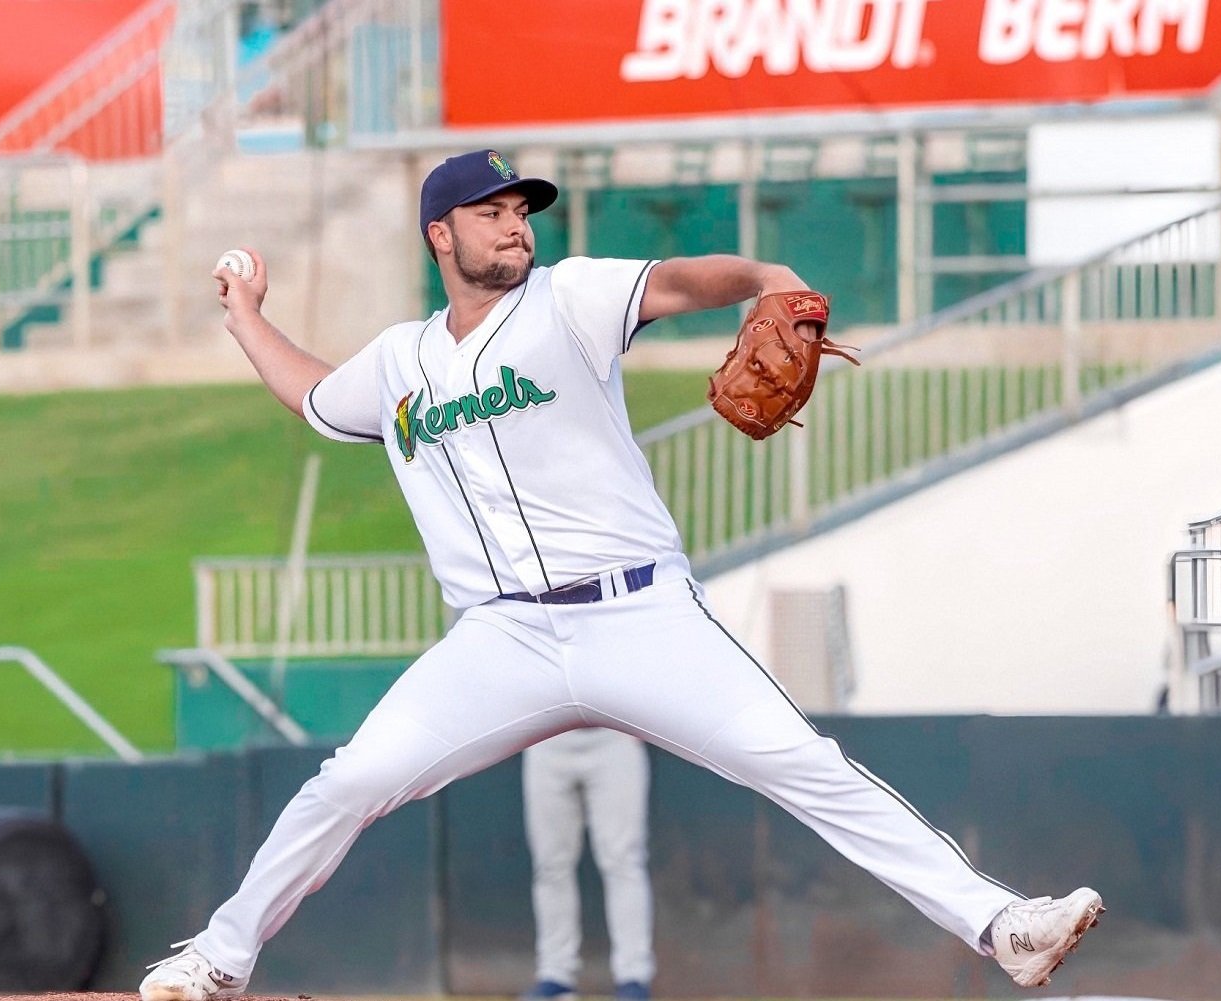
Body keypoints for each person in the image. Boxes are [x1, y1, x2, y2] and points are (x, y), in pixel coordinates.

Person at [139, 149, 1103, 1001]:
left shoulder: (569, 299)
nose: (515, 224)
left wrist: (768, 273)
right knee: (350, 781)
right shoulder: (401, 361)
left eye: (522, 211)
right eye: (492, 211)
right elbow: (311, 393)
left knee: (801, 762)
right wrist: (245, 315)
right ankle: (220, 959)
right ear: (441, 232)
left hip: (638, 612)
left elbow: (684, 281)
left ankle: (1001, 925)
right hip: (499, 639)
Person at [520, 729, 654, 1001]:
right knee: (550, 865)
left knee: (624, 861)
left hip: (612, 734)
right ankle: (556, 976)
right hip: (548, 737)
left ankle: (634, 977)